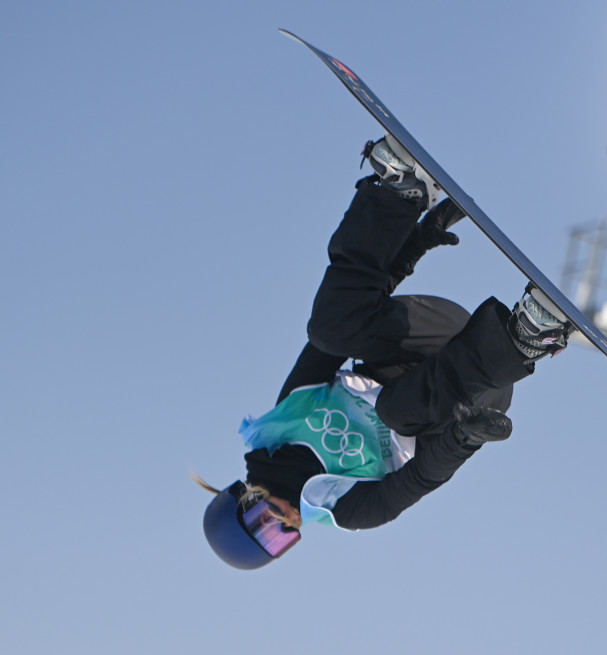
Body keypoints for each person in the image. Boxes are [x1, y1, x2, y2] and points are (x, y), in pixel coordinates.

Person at [197, 134, 574, 570]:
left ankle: (400, 192)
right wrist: (465, 438)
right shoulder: (345, 508)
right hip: (472, 390)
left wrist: (414, 242)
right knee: (398, 412)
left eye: (262, 523)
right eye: (279, 541)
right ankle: (527, 336)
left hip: (426, 334)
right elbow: (420, 477)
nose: (283, 525)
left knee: (327, 331)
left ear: (245, 497)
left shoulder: (285, 420)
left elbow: (343, 325)